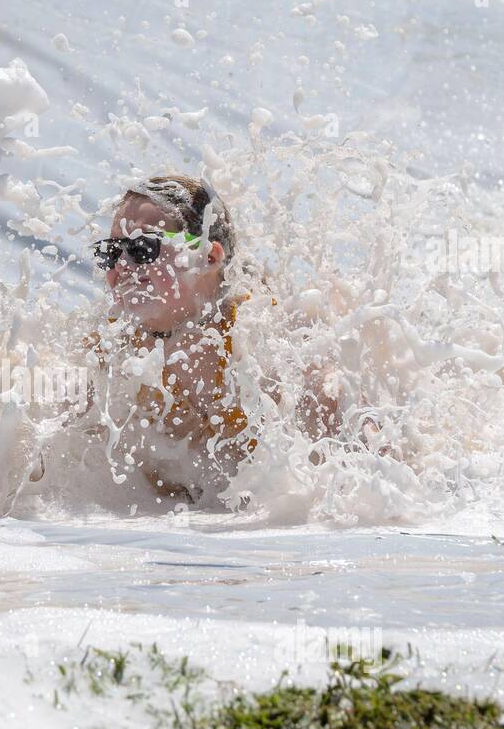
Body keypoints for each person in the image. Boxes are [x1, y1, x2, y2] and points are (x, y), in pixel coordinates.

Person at [89, 174, 338, 503]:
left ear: (207, 256)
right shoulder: (113, 341)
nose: (121, 264)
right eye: (110, 251)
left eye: (142, 248)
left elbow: (325, 425)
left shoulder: (253, 335)